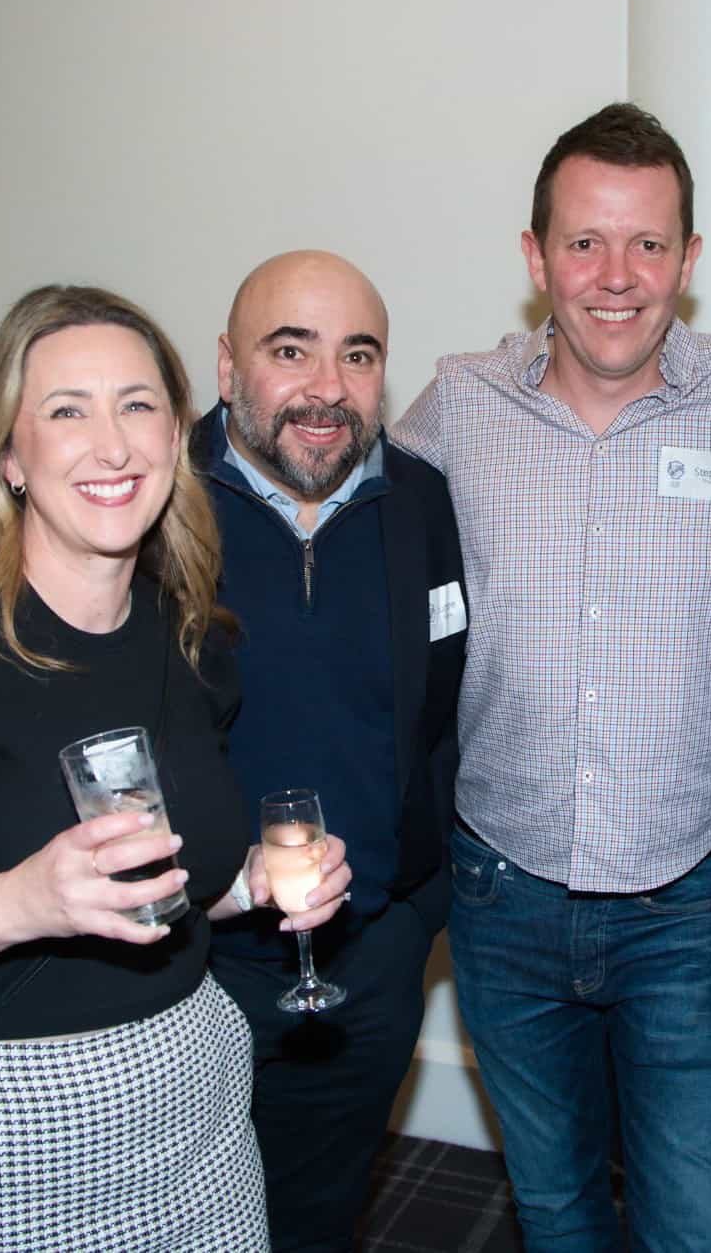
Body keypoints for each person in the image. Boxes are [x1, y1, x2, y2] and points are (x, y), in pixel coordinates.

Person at [0, 284, 352, 1251]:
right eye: (66, 411)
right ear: (9, 456)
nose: (112, 445)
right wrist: (24, 900)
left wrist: (249, 882)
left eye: (137, 405)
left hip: (196, 1105)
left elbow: (157, 894)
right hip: (1, 1128)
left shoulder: (189, 636)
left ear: (176, 435)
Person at [391, 103, 711, 1250]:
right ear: (534, 255)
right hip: (502, 888)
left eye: (647, 243)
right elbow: (341, 528)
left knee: (693, 1225)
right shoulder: (458, 405)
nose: (615, 276)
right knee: (553, 1210)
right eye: (584, 242)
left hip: (689, 898)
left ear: (688, 261)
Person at [198, 250, 464, 1251]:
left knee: (318, 1215)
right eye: (289, 351)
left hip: (364, 961)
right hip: (188, 966)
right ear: (227, 366)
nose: (327, 388)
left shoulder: (423, 504)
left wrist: (412, 905)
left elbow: (447, 709)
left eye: (357, 355)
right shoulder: (151, 505)